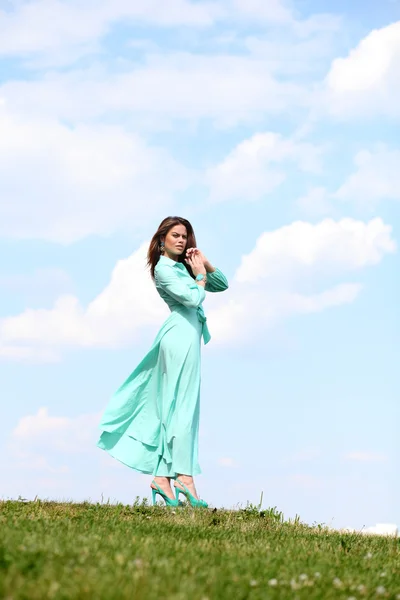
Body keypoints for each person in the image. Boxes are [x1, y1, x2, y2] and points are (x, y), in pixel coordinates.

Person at [97, 216, 229, 508]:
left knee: (176, 407)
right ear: (162, 240)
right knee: (182, 407)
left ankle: (161, 478)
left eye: (186, 236)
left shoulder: (185, 267)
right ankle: (184, 476)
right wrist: (198, 277)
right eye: (176, 236)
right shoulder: (163, 270)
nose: (182, 241)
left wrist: (203, 263)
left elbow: (222, 285)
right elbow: (195, 299)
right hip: (179, 336)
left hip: (188, 337)